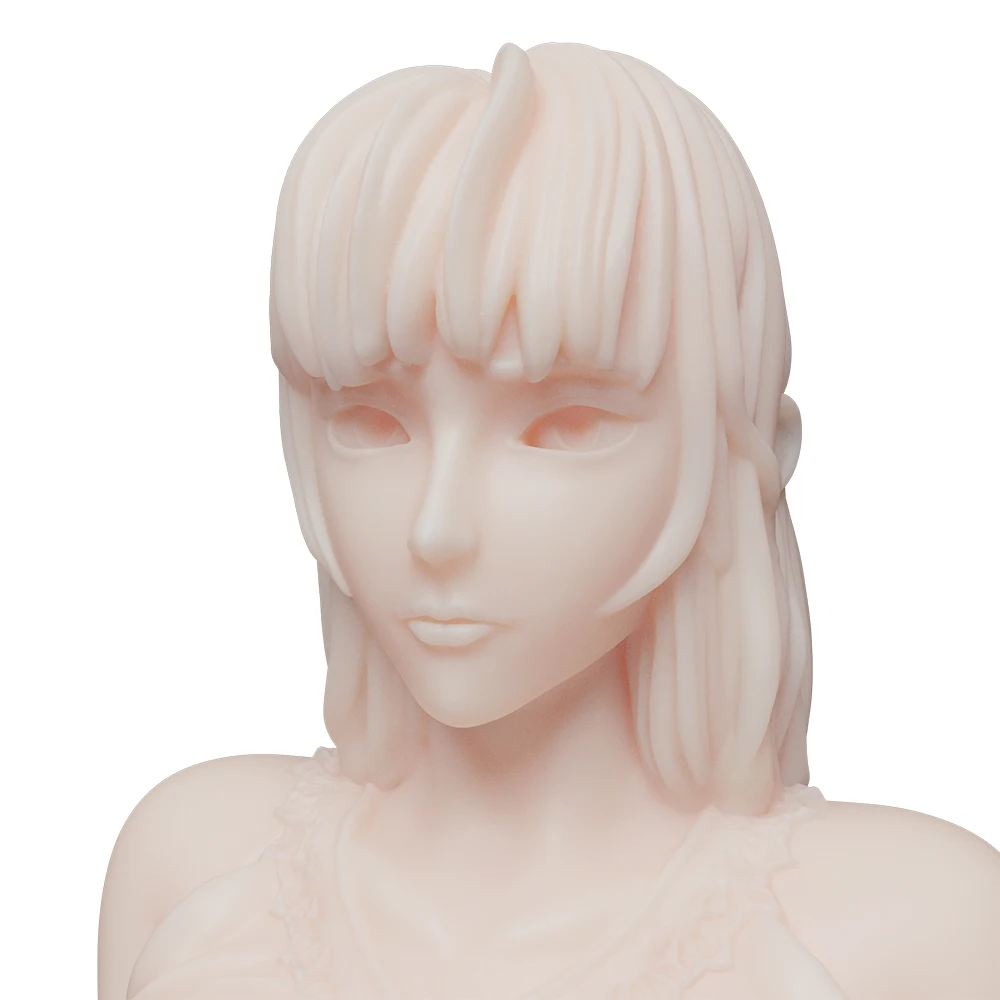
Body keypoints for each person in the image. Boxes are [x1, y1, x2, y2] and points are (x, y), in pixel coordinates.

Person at [98, 41, 1000, 1000]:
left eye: (564, 426)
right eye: (371, 421)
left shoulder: (919, 934)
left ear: (750, 449)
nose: (438, 529)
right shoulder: (189, 868)